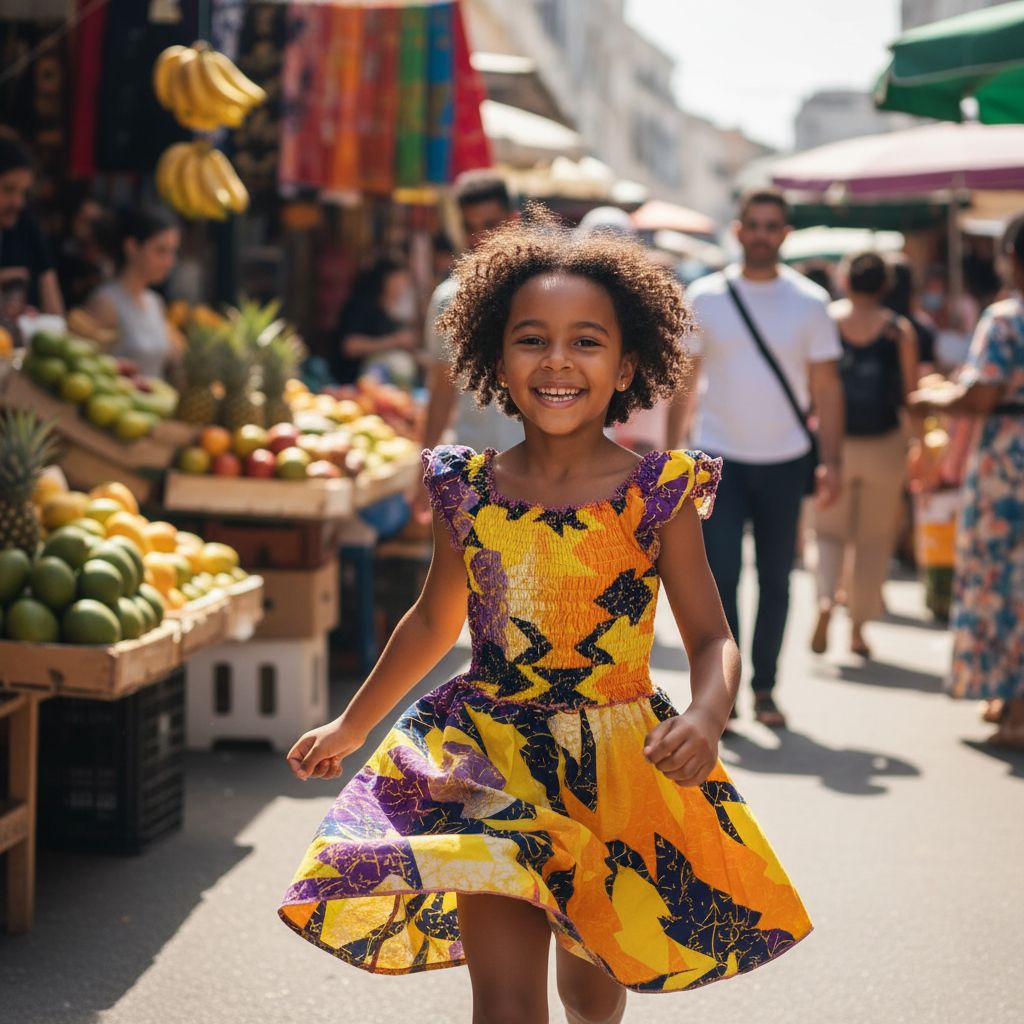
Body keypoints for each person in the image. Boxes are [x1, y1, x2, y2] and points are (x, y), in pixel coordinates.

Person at [279, 207, 812, 1021]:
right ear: (494, 354)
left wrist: (707, 715)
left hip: (615, 770)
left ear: (628, 362)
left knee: (592, 1000)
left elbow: (711, 637)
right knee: (503, 1002)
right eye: (531, 339)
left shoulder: (656, 494)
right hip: (487, 760)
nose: (556, 362)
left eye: (586, 342)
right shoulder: (466, 488)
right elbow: (432, 621)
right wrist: (354, 726)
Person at [666, 188, 844, 728]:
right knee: (719, 579)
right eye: (754, 225)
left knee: (776, 578)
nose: (763, 234)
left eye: (773, 226)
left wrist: (830, 460)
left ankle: (765, 688)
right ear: (738, 230)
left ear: (785, 234)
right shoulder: (706, 296)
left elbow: (827, 390)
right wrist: (674, 458)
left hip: (786, 459)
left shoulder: (810, 302)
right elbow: (684, 383)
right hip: (718, 458)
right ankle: (726, 694)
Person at [909, 214, 1024, 748]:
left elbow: (982, 394)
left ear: (1011, 257)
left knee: (1000, 577)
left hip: (1009, 462)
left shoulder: (1004, 319)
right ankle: (1006, 697)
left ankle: (1016, 706)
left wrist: (933, 396)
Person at [811, 253, 918, 659]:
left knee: (827, 531)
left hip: (834, 441)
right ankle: (857, 629)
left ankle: (825, 598)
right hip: (885, 444)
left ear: (846, 280)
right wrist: (919, 443)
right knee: (872, 539)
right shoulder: (897, 331)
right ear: (885, 286)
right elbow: (909, 394)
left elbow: (815, 384)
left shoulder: (828, 321)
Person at [420, 170, 520, 453]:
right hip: (475, 468)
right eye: (469, 227)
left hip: (547, 476)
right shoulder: (448, 299)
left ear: (512, 222)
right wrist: (424, 469)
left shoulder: (549, 292)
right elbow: (441, 387)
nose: (479, 238)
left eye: (490, 225)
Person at [86, 206, 179, 378]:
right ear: (132, 247)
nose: (169, 262)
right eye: (161, 251)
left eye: (172, 251)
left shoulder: (155, 302)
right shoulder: (105, 302)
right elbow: (88, 368)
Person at [0, 130, 64, 319]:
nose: (17, 202)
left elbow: (55, 313)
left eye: (24, 193)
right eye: (8, 189)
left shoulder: (26, 225)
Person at [329, 256, 419, 385]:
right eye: (398, 283)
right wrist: (395, 341)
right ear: (384, 281)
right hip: (349, 382)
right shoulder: (361, 307)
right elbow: (349, 346)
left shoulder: (386, 311)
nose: (401, 289)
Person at [56, 197, 112, 310]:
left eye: (89, 222)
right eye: (79, 218)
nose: (81, 226)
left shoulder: (107, 258)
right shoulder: (62, 249)